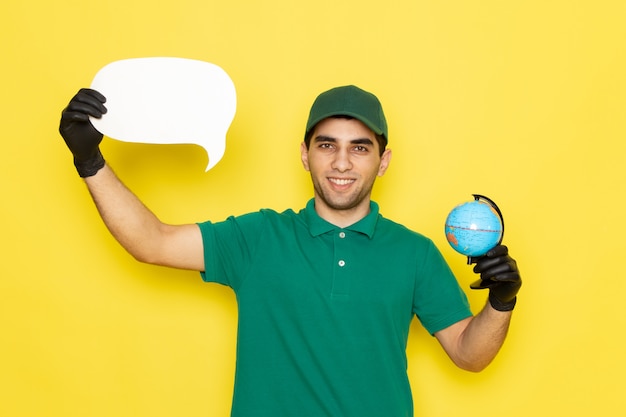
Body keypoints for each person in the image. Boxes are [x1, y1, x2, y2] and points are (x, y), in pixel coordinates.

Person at [59, 85, 522, 417]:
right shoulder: (259, 237)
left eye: (359, 148)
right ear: (305, 154)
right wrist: (89, 160)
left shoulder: (415, 253)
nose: (342, 162)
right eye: (328, 145)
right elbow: (151, 241)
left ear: (383, 161)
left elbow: (469, 354)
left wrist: (501, 300)